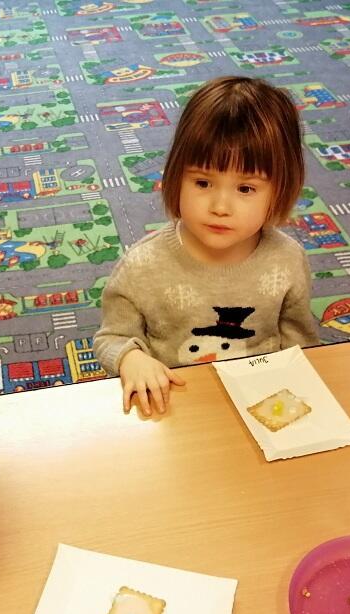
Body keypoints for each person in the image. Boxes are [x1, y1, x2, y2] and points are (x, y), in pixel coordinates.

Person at [93, 75, 319, 416]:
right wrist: (131, 359)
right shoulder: (143, 265)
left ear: (280, 189)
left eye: (245, 189)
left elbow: (301, 344)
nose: (220, 206)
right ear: (175, 177)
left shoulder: (286, 260)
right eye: (202, 182)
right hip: (176, 405)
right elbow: (110, 338)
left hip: (262, 401)